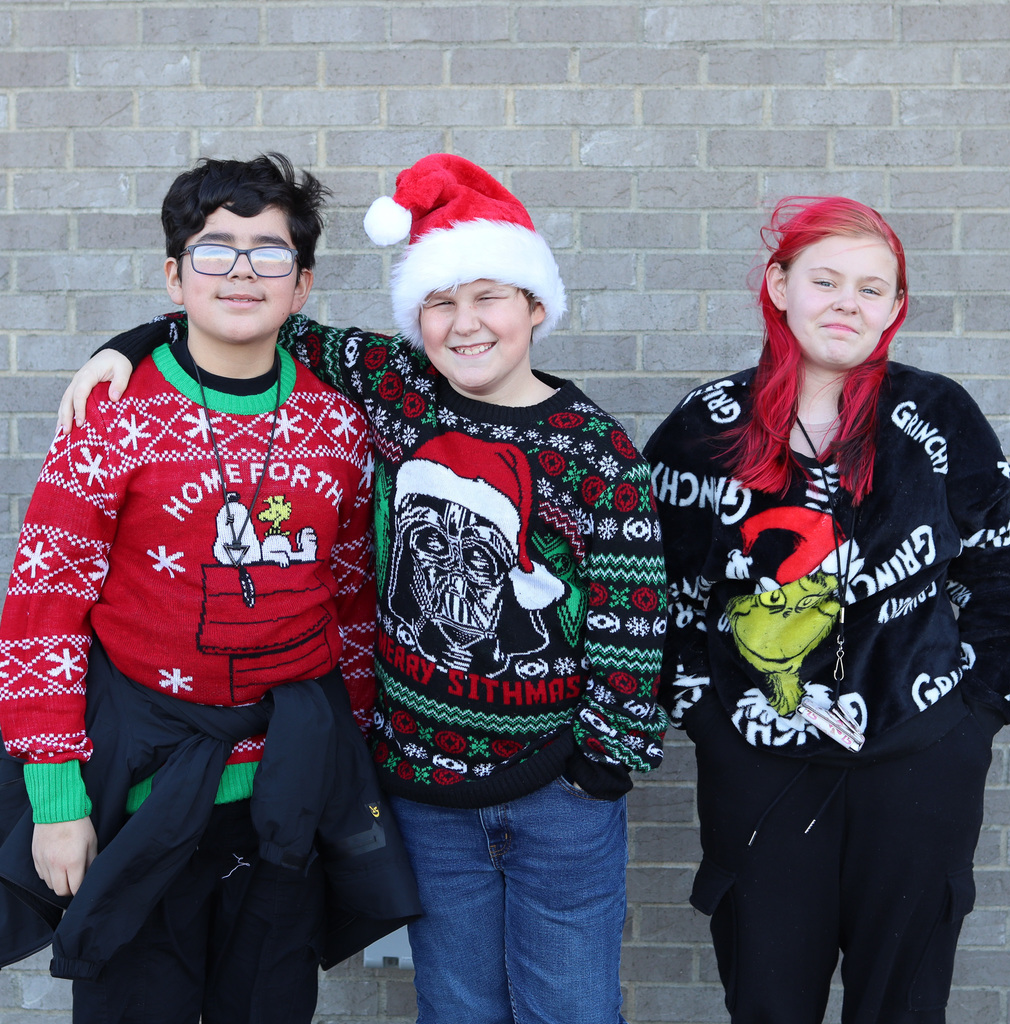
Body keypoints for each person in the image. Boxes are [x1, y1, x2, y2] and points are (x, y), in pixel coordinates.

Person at [55, 153, 669, 1024]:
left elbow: (633, 619)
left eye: (490, 296)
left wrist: (598, 767)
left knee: (569, 1004)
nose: (465, 324)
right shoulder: (395, 385)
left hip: (553, 794)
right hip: (422, 786)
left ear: (536, 305)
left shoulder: (595, 453)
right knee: (454, 1002)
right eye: (440, 302)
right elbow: (243, 313)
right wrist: (125, 346)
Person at [0, 153, 420, 1024]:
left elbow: (349, 605)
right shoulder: (111, 417)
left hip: (284, 796)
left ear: (301, 286)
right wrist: (55, 801)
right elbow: (44, 609)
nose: (240, 271)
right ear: (174, 275)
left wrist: (359, 761)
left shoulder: (335, 426)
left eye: (269, 254)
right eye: (214, 249)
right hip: (143, 789)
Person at [643, 196, 1010, 1024]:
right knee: (770, 1004)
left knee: (903, 1006)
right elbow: (655, 593)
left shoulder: (942, 417)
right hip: (762, 773)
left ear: (894, 308)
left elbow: (1003, 573)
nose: (847, 302)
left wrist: (976, 712)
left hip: (921, 765)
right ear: (778, 285)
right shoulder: (703, 430)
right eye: (825, 280)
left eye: (871, 288)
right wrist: (709, 717)